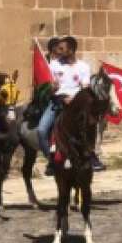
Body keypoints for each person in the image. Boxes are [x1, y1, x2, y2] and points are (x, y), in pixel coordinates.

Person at [37, 36, 91, 171]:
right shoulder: (54, 65)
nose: (58, 51)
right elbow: (50, 88)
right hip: (57, 102)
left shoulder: (84, 67)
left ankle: (90, 155)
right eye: (58, 48)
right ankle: (51, 160)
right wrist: (53, 89)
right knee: (41, 130)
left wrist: (74, 99)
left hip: (76, 104)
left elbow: (85, 88)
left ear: (71, 50)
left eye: (62, 48)